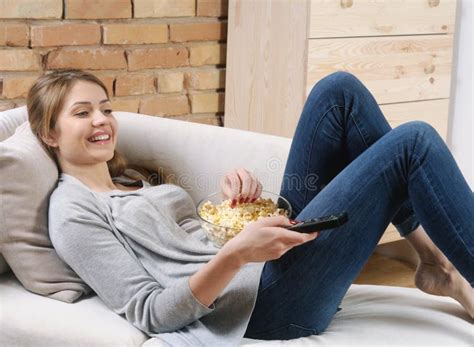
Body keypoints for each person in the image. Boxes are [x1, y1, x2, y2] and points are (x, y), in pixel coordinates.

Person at [27, 70, 473, 345]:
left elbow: (194, 244)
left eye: (105, 108)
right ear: (49, 134)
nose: (101, 120)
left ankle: (433, 262)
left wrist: (239, 207)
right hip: (262, 308)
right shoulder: (72, 212)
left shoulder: (133, 181)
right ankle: (447, 266)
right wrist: (238, 253)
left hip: (260, 269)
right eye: (82, 113)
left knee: (339, 92)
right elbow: (151, 312)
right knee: (414, 141)